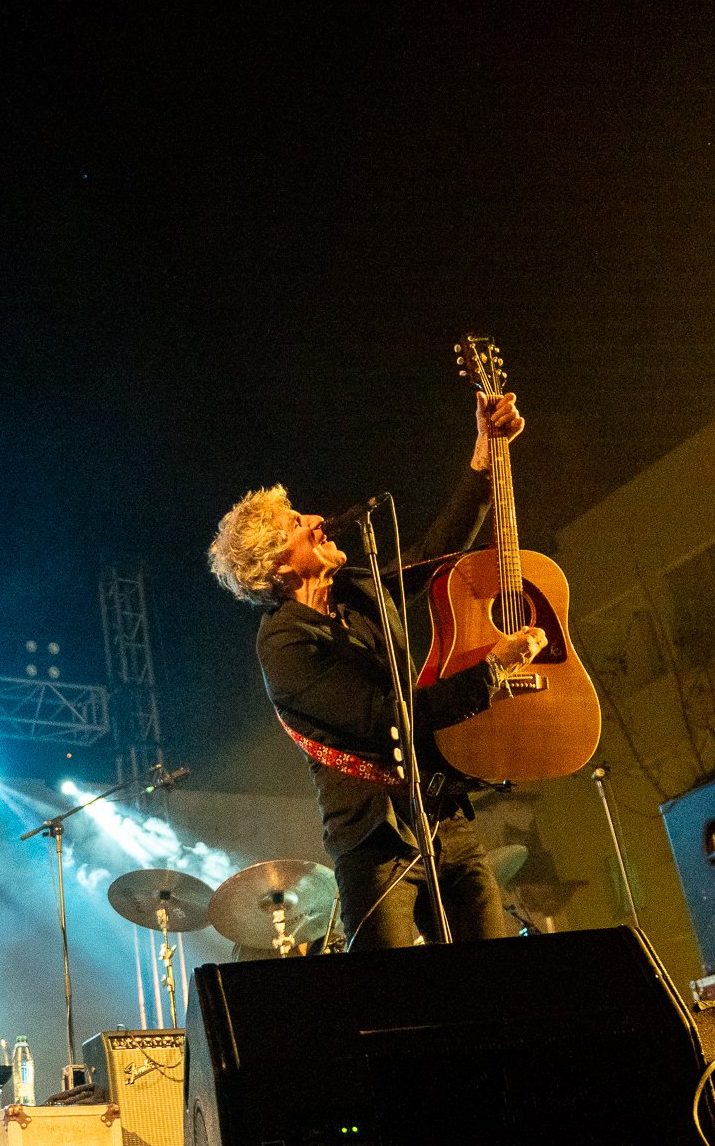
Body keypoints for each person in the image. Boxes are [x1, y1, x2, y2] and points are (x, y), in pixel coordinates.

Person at [207, 390, 547, 949]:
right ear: (274, 562)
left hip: (446, 817)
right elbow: (391, 718)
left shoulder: (356, 591)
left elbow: (435, 552)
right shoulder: (286, 647)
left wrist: (486, 457)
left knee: (498, 979)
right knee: (393, 1002)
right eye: (297, 521)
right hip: (375, 845)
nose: (316, 519)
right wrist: (491, 671)